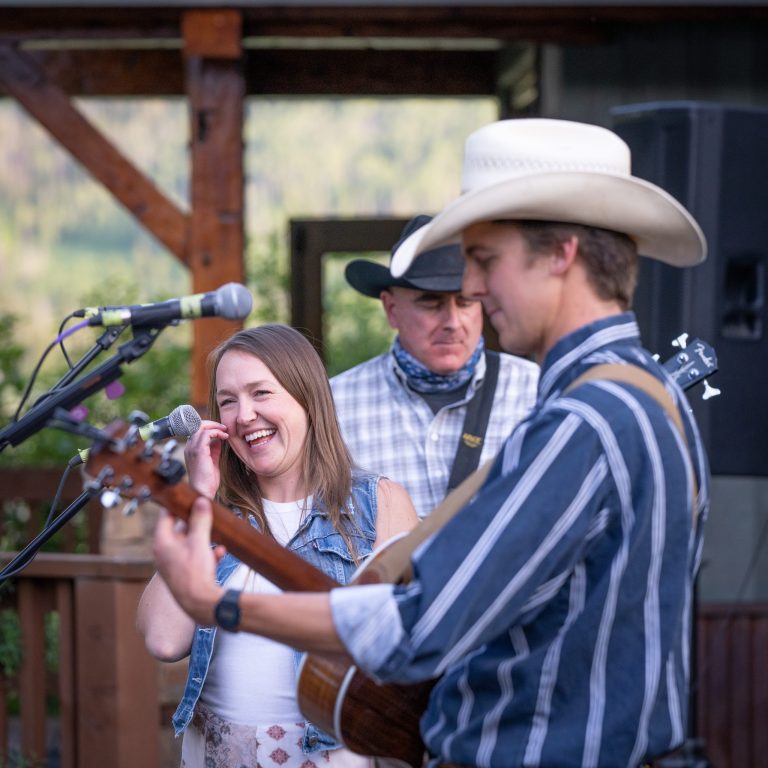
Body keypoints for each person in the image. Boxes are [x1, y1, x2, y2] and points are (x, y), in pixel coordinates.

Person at [149, 118, 711, 768]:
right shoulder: (652, 397)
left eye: (485, 259)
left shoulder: (581, 421)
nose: (469, 289)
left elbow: (412, 627)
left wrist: (216, 603)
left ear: (563, 252)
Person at [136, 323, 418, 768]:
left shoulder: (379, 503)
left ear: (307, 398)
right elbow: (163, 639)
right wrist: (198, 500)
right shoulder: (212, 512)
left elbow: (413, 647)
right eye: (228, 401)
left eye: (261, 393)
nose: (244, 414)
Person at [331, 214, 539, 518]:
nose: (453, 323)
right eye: (431, 303)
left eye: (465, 302)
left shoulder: (537, 390)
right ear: (391, 309)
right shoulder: (335, 404)